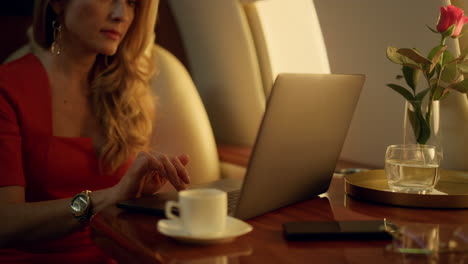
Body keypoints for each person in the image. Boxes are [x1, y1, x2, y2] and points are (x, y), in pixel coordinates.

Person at [0, 0, 190, 262]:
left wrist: (136, 193)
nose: (121, 14)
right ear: (57, 4)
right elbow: (5, 222)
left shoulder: (129, 97)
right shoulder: (7, 88)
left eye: (132, 3)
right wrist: (109, 198)